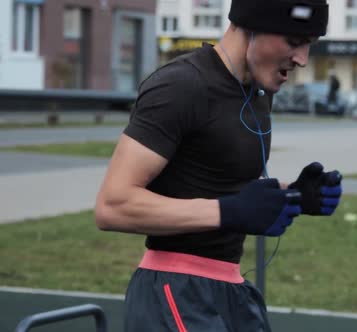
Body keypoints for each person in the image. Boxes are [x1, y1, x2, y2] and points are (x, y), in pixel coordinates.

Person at [94, 0, 342, 331]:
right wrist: (227, 212)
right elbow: (112, 206)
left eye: (309, 45)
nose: (302, 60)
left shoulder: (257, 91)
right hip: (175, 288)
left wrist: (293, 196)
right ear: (252, 25)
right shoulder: (180, 85)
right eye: (294, 42)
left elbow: (221, 182)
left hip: (229, 286)